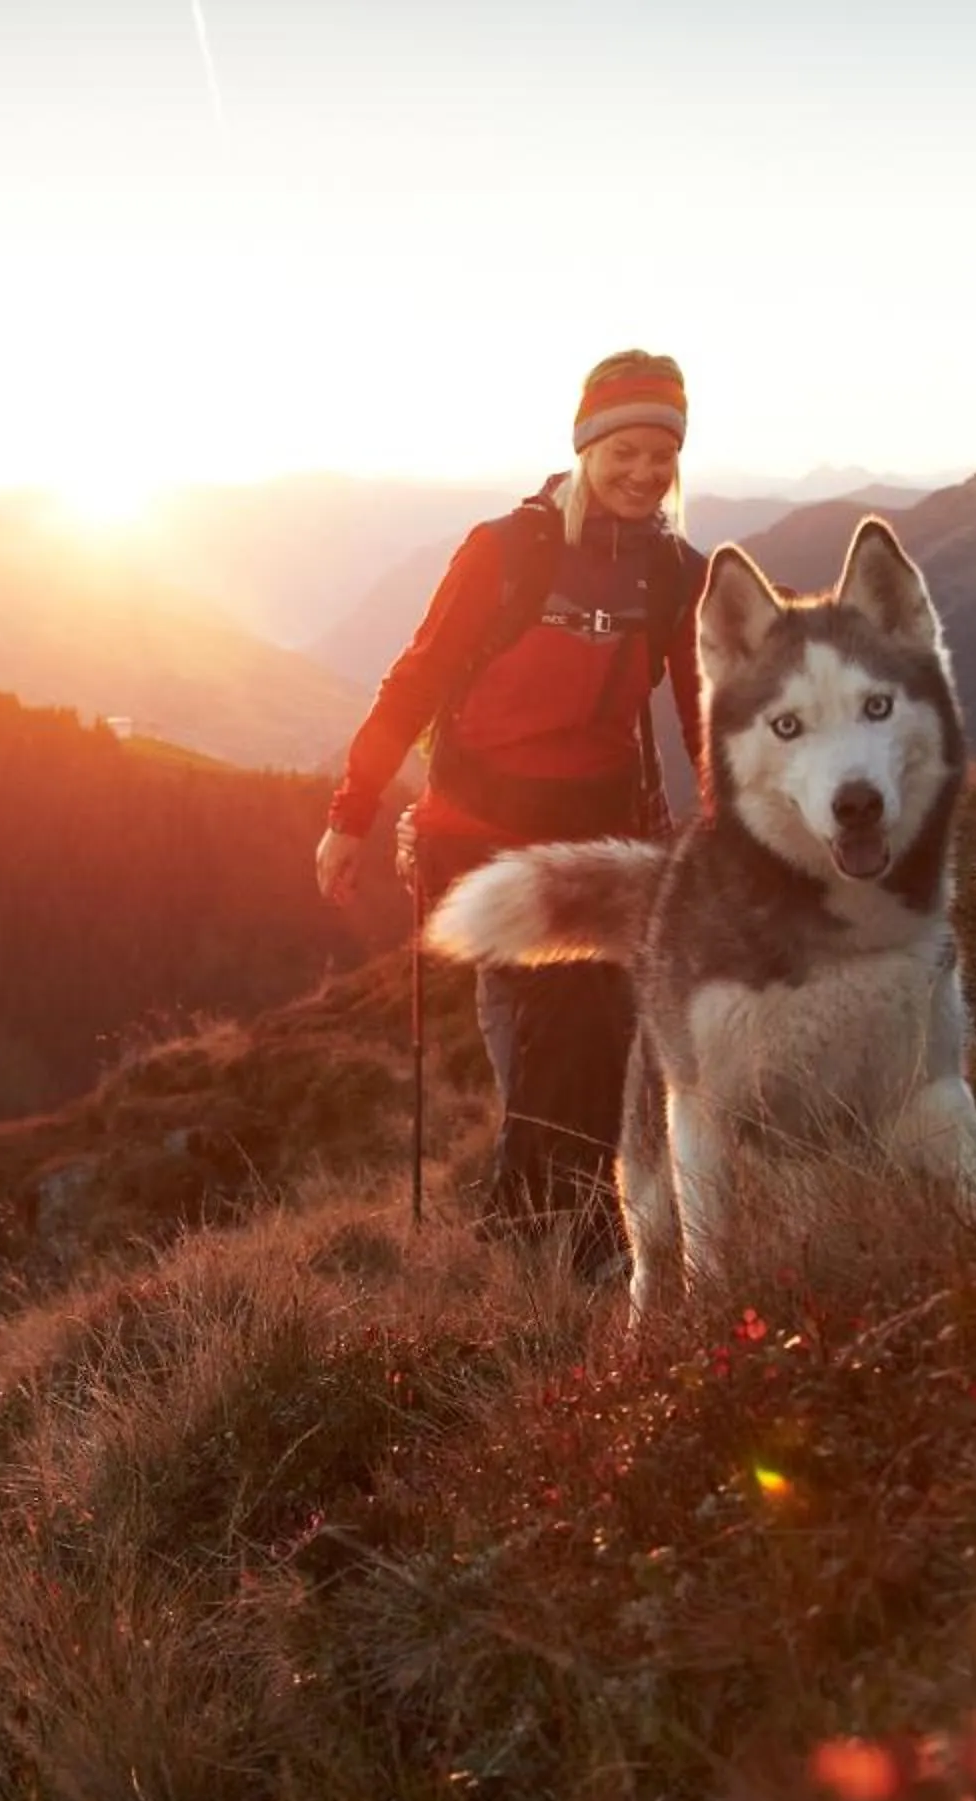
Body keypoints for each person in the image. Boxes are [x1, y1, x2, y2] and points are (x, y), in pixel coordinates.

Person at [314, 349, 705, 1279]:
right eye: (626, 451)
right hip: (479, 837)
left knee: (583, 1030)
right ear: (586, 446)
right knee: (560, 1024)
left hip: (601, 839)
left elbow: (703, 710)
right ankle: (566, 1240)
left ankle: (551, 1233)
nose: (644, 474)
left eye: (663, 454)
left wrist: (726, 826)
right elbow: (415, 683)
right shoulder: (507, 552)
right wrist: (350, 813)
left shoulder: (674, 572)